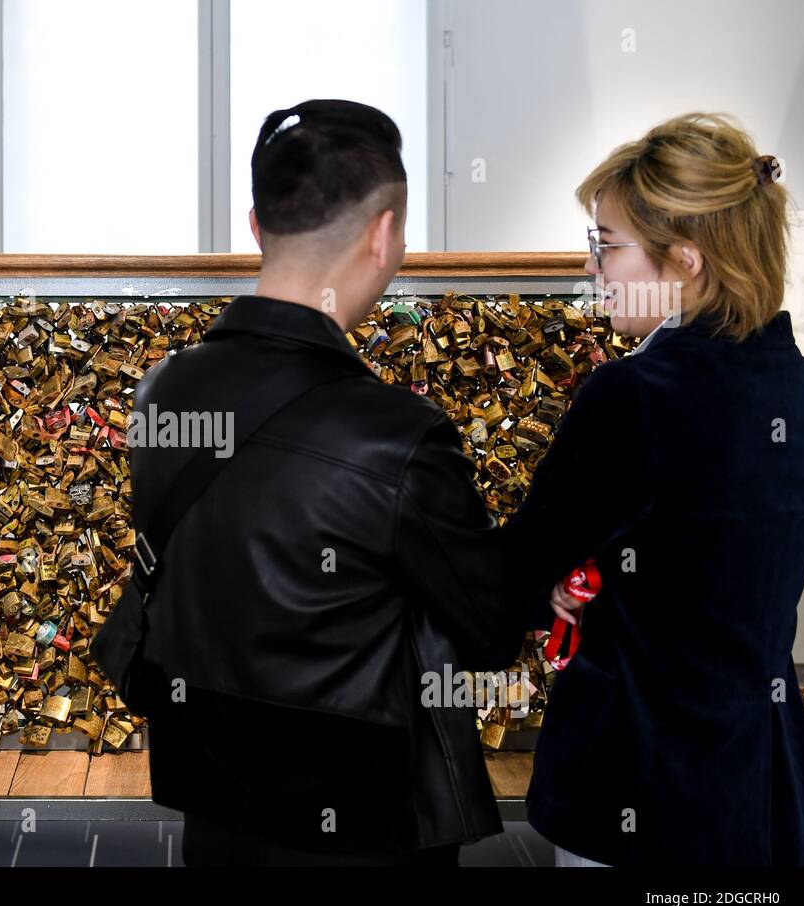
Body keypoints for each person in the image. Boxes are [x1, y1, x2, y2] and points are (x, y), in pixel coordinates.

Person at [107, 99, 525, 866]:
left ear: (256, 225)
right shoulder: (398, 435)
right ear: (384, 234)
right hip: (367, 820)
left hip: (215, 809)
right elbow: (490, 631)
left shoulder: (162, 392)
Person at [506, 113, 804, 866]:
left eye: (607, 246)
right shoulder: (797, 383)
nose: (593, 270)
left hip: (638, 790)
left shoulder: (636, 392)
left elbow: (521, 562)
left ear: (684, 260)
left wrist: (542, 583)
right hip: (756, 796)